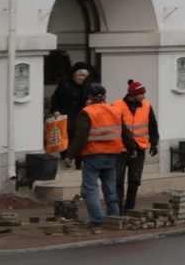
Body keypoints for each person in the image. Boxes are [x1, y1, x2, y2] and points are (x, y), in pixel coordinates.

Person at [65, 82, 132, 228]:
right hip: (112, 155)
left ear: (90, 97)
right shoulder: (115, 110)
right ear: (105, 96)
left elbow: (80, 136)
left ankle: (97, 220)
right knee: (110, 188)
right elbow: (125, 132)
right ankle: (114, 217)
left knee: (89, 189)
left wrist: (70, 155)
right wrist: (132, 149)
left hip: (93, 155)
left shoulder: (87, 112)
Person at [110, 80, 159, 212]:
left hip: (139, 148)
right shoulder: (116, 105)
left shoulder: (147, 106)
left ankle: (130, 207)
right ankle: (117, 209)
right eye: (141, 93)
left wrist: (154, 143)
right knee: (118, 181)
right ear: (133, 94)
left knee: (135, 180)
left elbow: (153, 125)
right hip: (121, 149)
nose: (144, 96)